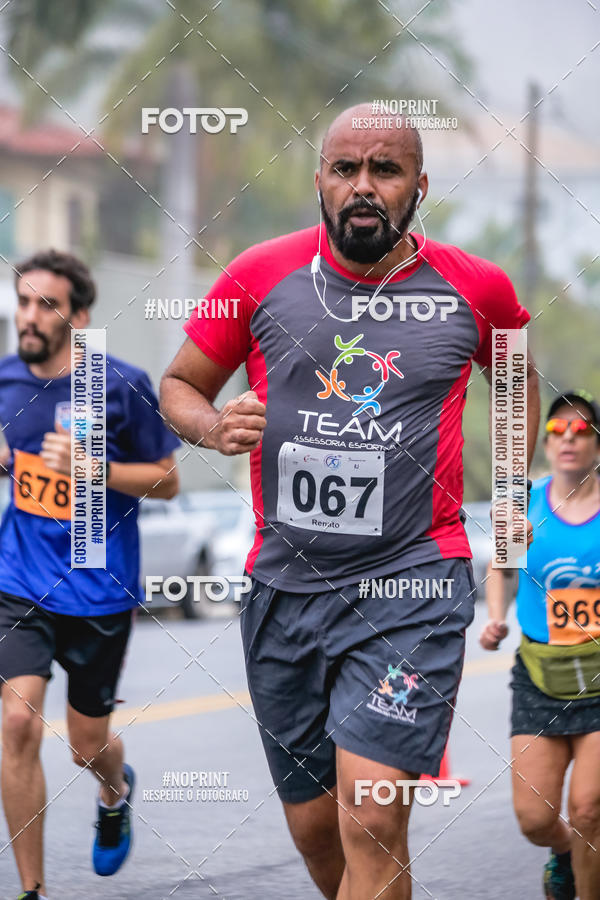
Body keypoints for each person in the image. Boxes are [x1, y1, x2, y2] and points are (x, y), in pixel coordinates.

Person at [160, 103, 540, 899]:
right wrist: (211, 423)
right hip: (284, 588)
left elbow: (514, 379)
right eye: (346, 169)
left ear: (419, 187)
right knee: (318, 834)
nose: (363, 187)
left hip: (412, 582)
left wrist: (510, 488)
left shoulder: (475, 288)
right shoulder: (260, 275)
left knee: (372, 816)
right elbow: (182, 383)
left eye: (385, 170)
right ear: (320, 183)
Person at [0, 249, 180, 900]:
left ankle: (113, 790)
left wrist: (92, 467)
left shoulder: (120, 385)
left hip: (97, 585)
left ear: (78, 316)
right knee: (17, 724)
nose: (28, 317)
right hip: (19, 580)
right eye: (22, 302)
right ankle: (31, 890)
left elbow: (167, 480)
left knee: (85, 746)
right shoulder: (5, 382)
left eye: (44, 305)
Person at [481, 389, 600, 900]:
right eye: (556, 431)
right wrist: (494, 619)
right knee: (534, 818)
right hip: (539, 674)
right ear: (545, 443)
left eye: (581, 431)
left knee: (590, 809)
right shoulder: (524, 506)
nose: (568, 439)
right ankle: (565, 851)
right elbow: (499, 567)